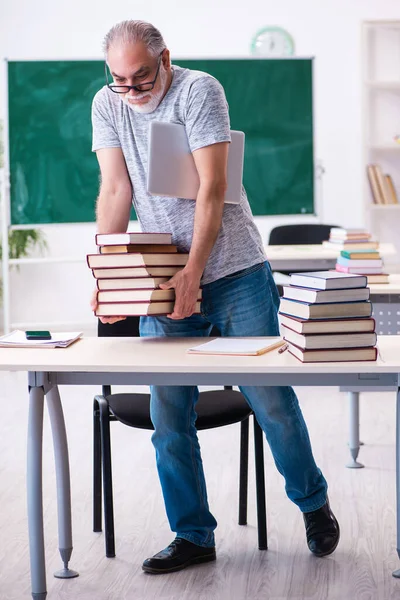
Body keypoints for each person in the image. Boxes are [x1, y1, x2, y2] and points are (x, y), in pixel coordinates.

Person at [90, 19, 340, 574]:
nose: (131, 91)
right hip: (163, 276)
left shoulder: (199, 90)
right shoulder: (107, 105)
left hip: (235, 271)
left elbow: (214, 187)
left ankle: (313, 503)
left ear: (166, 59)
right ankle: (193, 534)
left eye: (141, 77)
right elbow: (114, 190)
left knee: (271, 401)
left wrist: (194, 274)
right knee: (169, 413)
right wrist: (107, 279)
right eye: (119, 80)